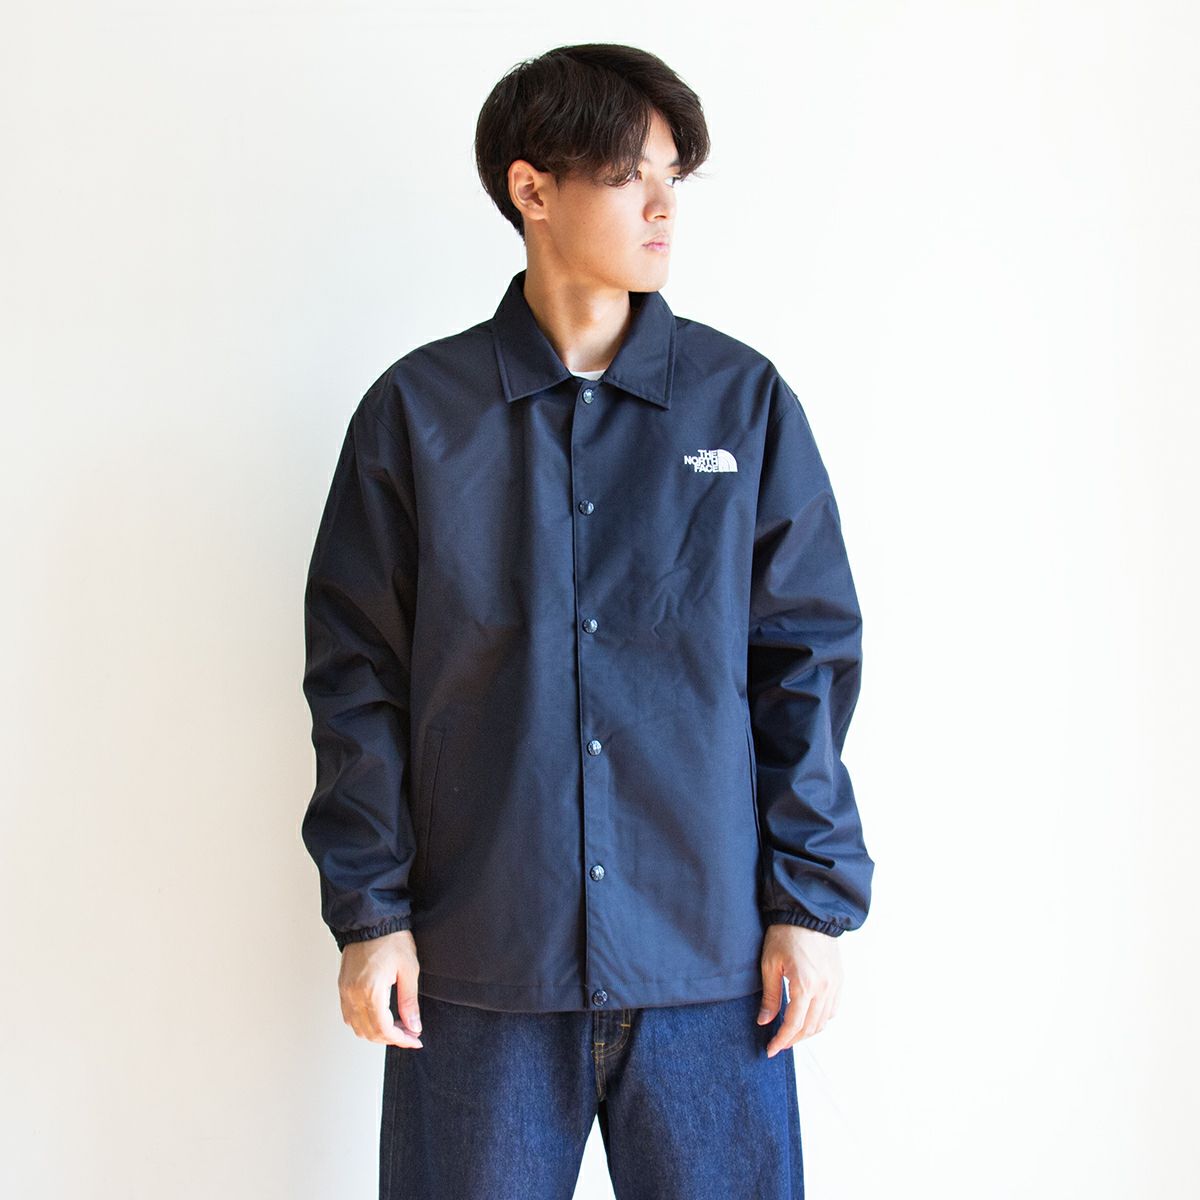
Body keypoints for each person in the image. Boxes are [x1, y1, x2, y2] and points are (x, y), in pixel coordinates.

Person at [301, 41, 874, 1200]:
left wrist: (807, 905)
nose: (664, 206)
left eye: (674, 176)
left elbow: (803, 665)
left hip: (711, 969)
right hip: (479, 969)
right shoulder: (417, 415)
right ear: (533, 188)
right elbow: (357, 678)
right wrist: (370, 915)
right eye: (627, 175)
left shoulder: (743, 404)